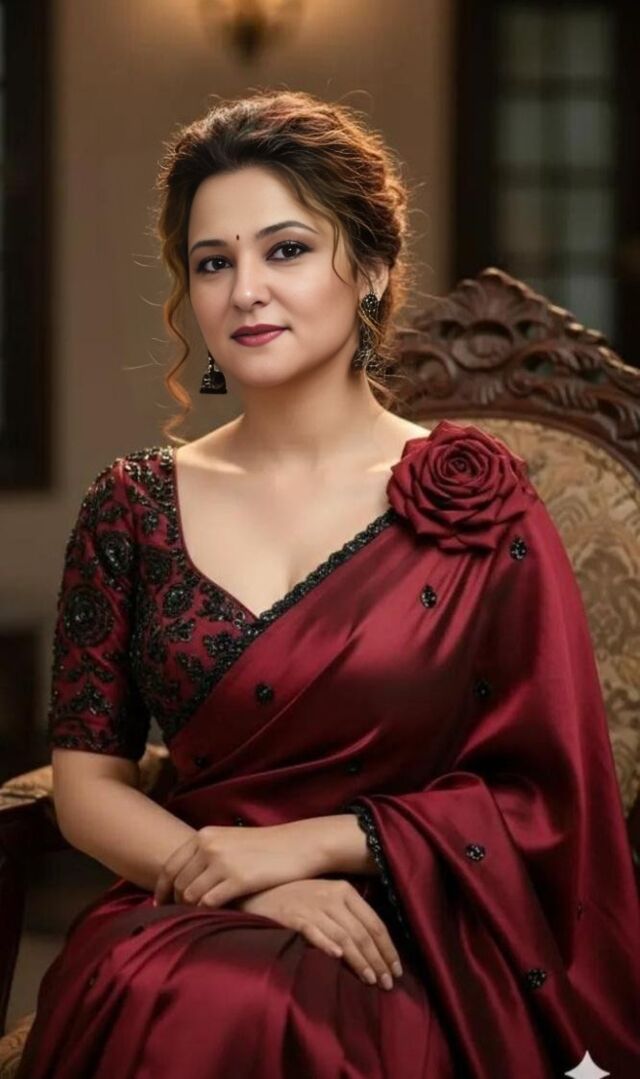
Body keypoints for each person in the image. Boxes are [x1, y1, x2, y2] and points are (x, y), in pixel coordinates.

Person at [17, 89, 639, 1078]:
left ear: (374, 268)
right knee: (189, 993)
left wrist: (316, 844)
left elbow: (542, 795)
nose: (245, 291)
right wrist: (239, 876)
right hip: (191, 906)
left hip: (422, 920)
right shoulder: (130, 505)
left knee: (307, 1008)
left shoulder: (480, 503)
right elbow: (87, 785)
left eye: (287, 249)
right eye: (212, 262)